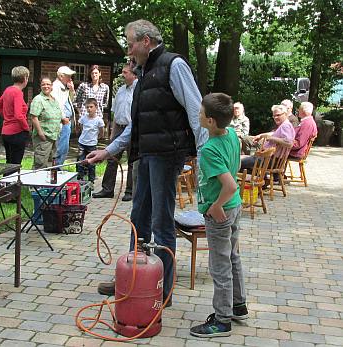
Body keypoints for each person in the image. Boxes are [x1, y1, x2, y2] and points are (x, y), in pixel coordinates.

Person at [86, 19, 208, 304]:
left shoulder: (173, 65)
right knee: (138, 218)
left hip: (167, 156)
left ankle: (160, 291)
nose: (128, 51)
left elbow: (196, 110)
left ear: (146, 41)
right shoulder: (144, 74)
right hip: (146, 155)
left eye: (130, 44)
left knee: (161, 222)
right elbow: (136, 125)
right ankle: (132, 279)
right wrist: (108, 151)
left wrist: (204, 157)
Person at [189, 93, 245, 338]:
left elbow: (230, 185)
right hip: (235, 207)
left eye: (200, 112)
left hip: (221, 211)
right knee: (232, 257)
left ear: (210, 121)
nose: (198, 115)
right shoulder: (231, 134)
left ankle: (222, 320)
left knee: (219, 265)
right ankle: (238, 305)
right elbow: (236, 165)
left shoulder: (211, 149)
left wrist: (216, 206)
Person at [92, 64, 137, 202]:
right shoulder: (121, 91)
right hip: (119, 128)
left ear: (133, 74)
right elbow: (115, 114)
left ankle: (130, 191)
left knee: (131, 160)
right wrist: (112, 133)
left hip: (133, 129)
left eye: (125, 72)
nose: (122, 75)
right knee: (111, 158)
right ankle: (107, 189)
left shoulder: (138, 90)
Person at [240, 104, 295, 171]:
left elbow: (289, 143)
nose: (275, 117)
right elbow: (275, 134)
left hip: (271, 161)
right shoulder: (284, 125)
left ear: (285, 114)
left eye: (278, 115)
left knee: (238, 162)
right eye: (274, 116)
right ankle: (254, 176)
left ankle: (248, 178)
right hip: (270, 159)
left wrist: (270, 138)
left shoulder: (285, 126)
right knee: (242, 159)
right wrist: (261, 135)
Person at [0, 66, 30, 165]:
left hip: (6, 131)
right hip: (17, 133)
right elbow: (18, 115)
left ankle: (6, 180)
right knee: (15, 163)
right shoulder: (18, 92)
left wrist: (7, 117)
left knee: (9, 162)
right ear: (25, 78)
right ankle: (11, 180)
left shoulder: (8, 90)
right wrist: (26, 128)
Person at [30, 77, 63, 170]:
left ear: (52, 86)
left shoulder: (54, 99)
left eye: (48, 84)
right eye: (43, 84)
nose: (46, 86)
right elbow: (34, 117)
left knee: (50, 163)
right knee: (40, 163)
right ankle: (36, 183)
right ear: (40, 86)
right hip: (44, 137)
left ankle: (46, 183)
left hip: (53, 136)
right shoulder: (38, 99)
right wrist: (41, 133)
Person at [52, 66, 76, 166]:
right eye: (68, 76)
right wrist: (63, 118)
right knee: (61, 147)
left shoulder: (64, 87)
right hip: (62, 121)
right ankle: (57, 168)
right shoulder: (56, 87)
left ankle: (58, 167)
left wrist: (71, 90)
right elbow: (56, 105)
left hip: (67, 121)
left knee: (64, 147)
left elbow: (71, 101)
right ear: (61, 76)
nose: (70, 78)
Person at [76, 98, 105, 182]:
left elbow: (101, 131)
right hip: (82, 143)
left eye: (91, 107)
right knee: (80, 161)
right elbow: (81, 127)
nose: (89, 109)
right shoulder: (83, 118)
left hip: (92, 145)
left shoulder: (99, 120)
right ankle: (79, 178)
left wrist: (98, 137)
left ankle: (91, 180)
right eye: (87, 107)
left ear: (96, 107)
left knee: (91, 163)